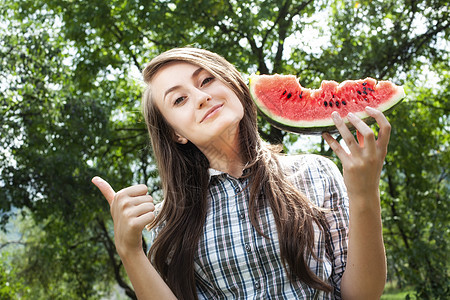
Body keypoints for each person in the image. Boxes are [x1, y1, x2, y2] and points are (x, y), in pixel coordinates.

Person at [92, 47, 389, 300]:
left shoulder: (316, 172)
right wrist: (129, 250)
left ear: (234, 84)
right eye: (179, 100)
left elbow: (362, 294)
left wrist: (364, 194)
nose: (200, 97)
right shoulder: (169, 223)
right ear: (175, 133)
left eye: (206, 80)